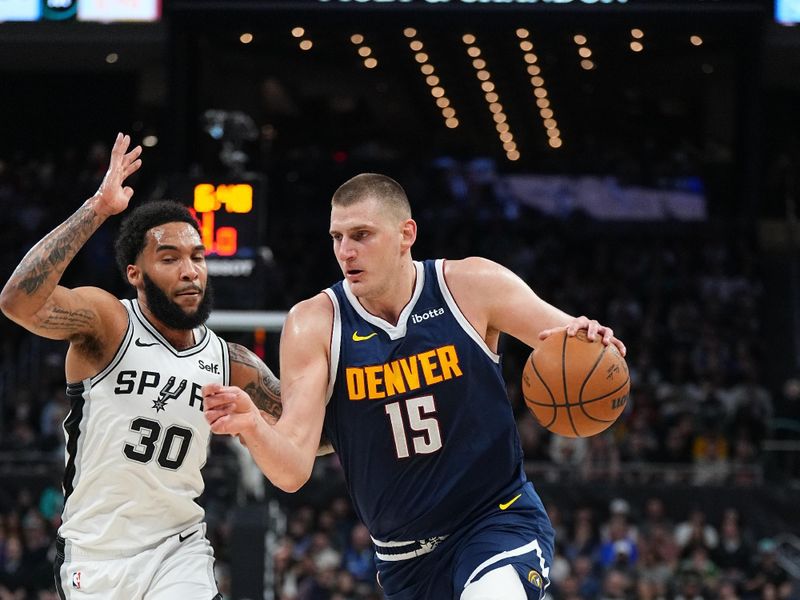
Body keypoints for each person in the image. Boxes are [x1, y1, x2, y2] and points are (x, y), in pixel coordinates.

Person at [203, 173, 626, 599]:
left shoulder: (471, 286)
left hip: (495, 519)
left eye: (361, 235)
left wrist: (590, 338)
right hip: (403, 558)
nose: (345, 251)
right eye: (337, 237)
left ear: (406, 234)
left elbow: (567, 338)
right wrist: (253, 427)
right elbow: (293, 470)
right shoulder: (314, 323)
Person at [0, 133, 281, 599]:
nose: (189, 270)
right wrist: (97, 209)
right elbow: (18, 301)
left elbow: (304, 436)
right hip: (96, 556)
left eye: (197, 257)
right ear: (135, 274)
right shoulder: (109, 323)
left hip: (179, 550)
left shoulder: (231, 363)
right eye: (169, 258)